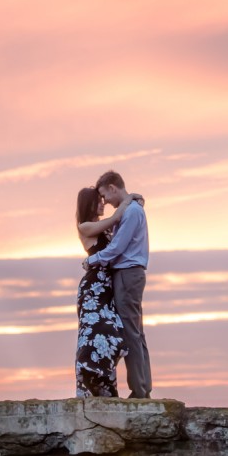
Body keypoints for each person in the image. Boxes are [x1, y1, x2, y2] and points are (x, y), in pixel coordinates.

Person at [84, 171, 151, 399]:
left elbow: (117, 248)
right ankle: (143, 387)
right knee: (136, 332)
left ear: (113, 188)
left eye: (105, 195)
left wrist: (91, 261)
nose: (105, 202)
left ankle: (139, 391)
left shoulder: (131, 212)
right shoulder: (131, 209)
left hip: (127, 274)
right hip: (129, 274)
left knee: (130, 332)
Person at [74, 186, 138, 397]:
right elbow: (116, 218)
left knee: (115, 333)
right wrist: (128, 199)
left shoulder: (104, 228)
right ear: (89, 204)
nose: (103, 203)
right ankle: (89, 375)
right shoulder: (85, 227)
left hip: (108, 289)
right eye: (99, 200)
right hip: (93, 290)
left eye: (103, 199)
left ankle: (103, 385)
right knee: (98, 333)